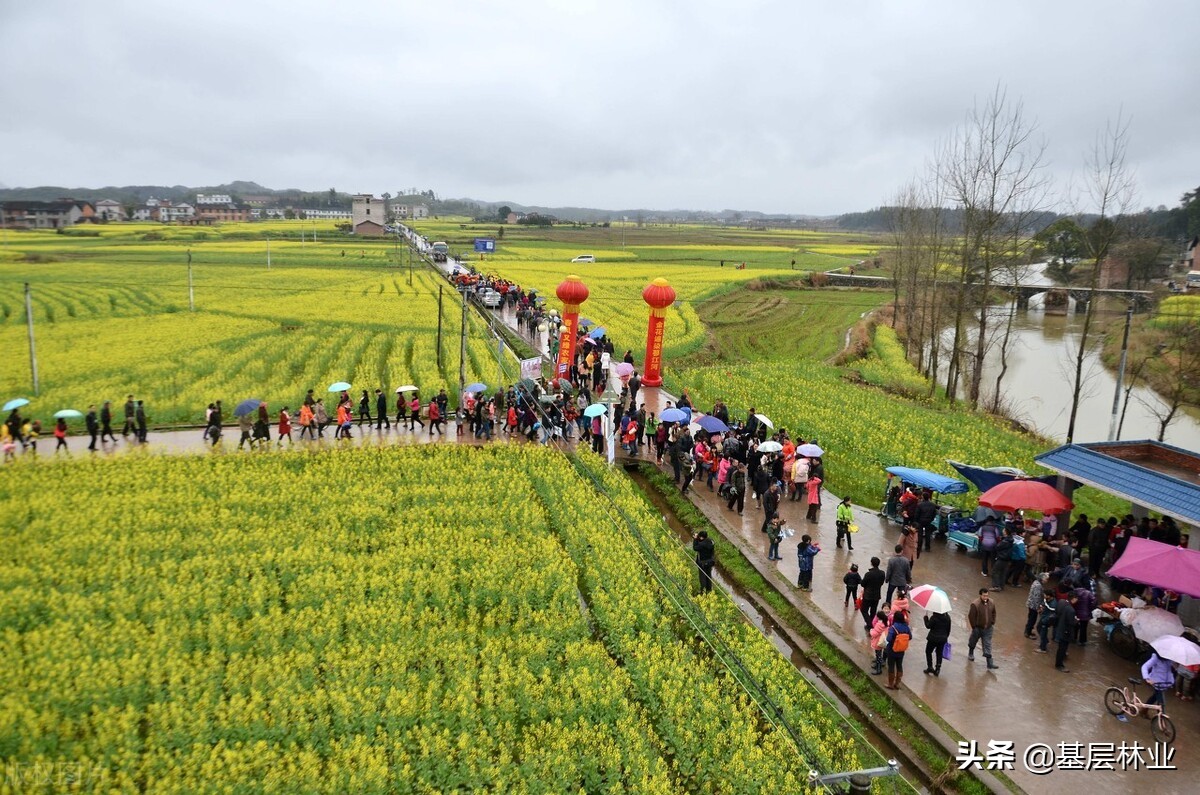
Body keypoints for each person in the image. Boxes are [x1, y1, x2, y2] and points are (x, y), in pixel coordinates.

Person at [967, 588, 999, 670]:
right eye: (984, 596)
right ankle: (971, 653)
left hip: (988, 628)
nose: (986, 597)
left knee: (987, 644)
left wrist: (992, 621)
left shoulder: (991, 602)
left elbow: (994, 612)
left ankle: (990, 663)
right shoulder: (975, 604)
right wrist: (974, 627)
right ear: (980, 595)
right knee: (973, 640)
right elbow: (971, 616)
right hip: (978, 628)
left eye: (987, 595)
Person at [884, 610, 912, 690]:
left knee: (891, 666)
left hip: (892, 650)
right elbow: (910, 637)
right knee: (899, 666)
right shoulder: (906, 627)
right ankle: (897, 684)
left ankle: (890, 684)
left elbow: (888, 639)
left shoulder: (893, 627)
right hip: (901, 650)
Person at [1053, 590, 1078, 672]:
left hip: (1060, 628)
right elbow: (1071, 623)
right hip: (1066, 632)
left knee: (1061, 647)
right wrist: (1076, 621)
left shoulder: (1061, 602)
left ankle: (1060, 660)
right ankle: (1059, 665)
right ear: (1073, 599)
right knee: (1062, 648)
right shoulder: (1071, 610)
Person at [923, 609, 951, 676]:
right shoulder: (948, 617)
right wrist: (945, 637)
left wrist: (926, 618)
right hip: (942, 639)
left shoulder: (934, 617)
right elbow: (948, 630)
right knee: (939, 653)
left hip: (933, 638)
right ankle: (938, 669)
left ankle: (930, 667)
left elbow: (928, 626)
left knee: (928, 651)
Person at [860, 557, 886, 632]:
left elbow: (863, 584)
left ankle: (870, 624)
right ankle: (871, 624)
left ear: (871, 563)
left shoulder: (868, 574)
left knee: (864, 610)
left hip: (868, 595)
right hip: (877, 595)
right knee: (873, 611)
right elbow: (881, 583)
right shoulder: (882, 573)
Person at [1023, 573, 1049, 638]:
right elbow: (1036, 598)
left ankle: (1028, 630)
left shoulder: (1036, 582)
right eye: (1046, 579)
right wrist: (1038, 607)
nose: (1047, 581)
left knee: (1031, 618)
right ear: (1042, 579)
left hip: (1031, 604)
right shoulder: (1038, 586)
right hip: (1033, 605)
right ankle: (1028, 633)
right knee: (1032, 619)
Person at [693, 530, 715, 594]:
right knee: (708, 575)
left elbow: (695, 548)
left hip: (702, 563)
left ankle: (703, 591)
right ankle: (709, 589)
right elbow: (702, 542)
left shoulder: (702, 544)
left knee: (702, 577)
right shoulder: (711, 542)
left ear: (701, 537)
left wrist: (695, 539)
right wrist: (698, 539)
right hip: (710, 562)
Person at [869, 609, 888, 675]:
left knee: (878, 656)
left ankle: (878, 669)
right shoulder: (885, 623)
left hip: (877, 642)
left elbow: (874, 634)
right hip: (881, 641)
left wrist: (871, 630)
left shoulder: (879, 625)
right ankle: (877, 666)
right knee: (879, 655)